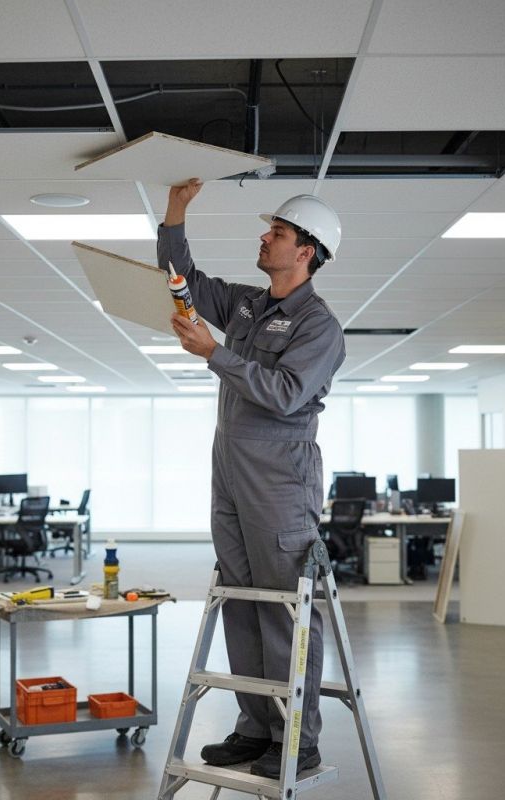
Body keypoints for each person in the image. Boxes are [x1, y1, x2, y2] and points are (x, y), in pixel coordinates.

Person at [157, 180, 346, 779]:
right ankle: (255, 726)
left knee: (286, 608)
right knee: (241, 598)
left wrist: (214, 353)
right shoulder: (245, 304)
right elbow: (179, 275)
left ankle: (297, 738)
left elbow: (288, 395)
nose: (265, 238)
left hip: (281, 477)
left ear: (306, 252)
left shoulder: (319, 326)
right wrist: (176, 213)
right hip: (231, 468)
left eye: (279, 234)